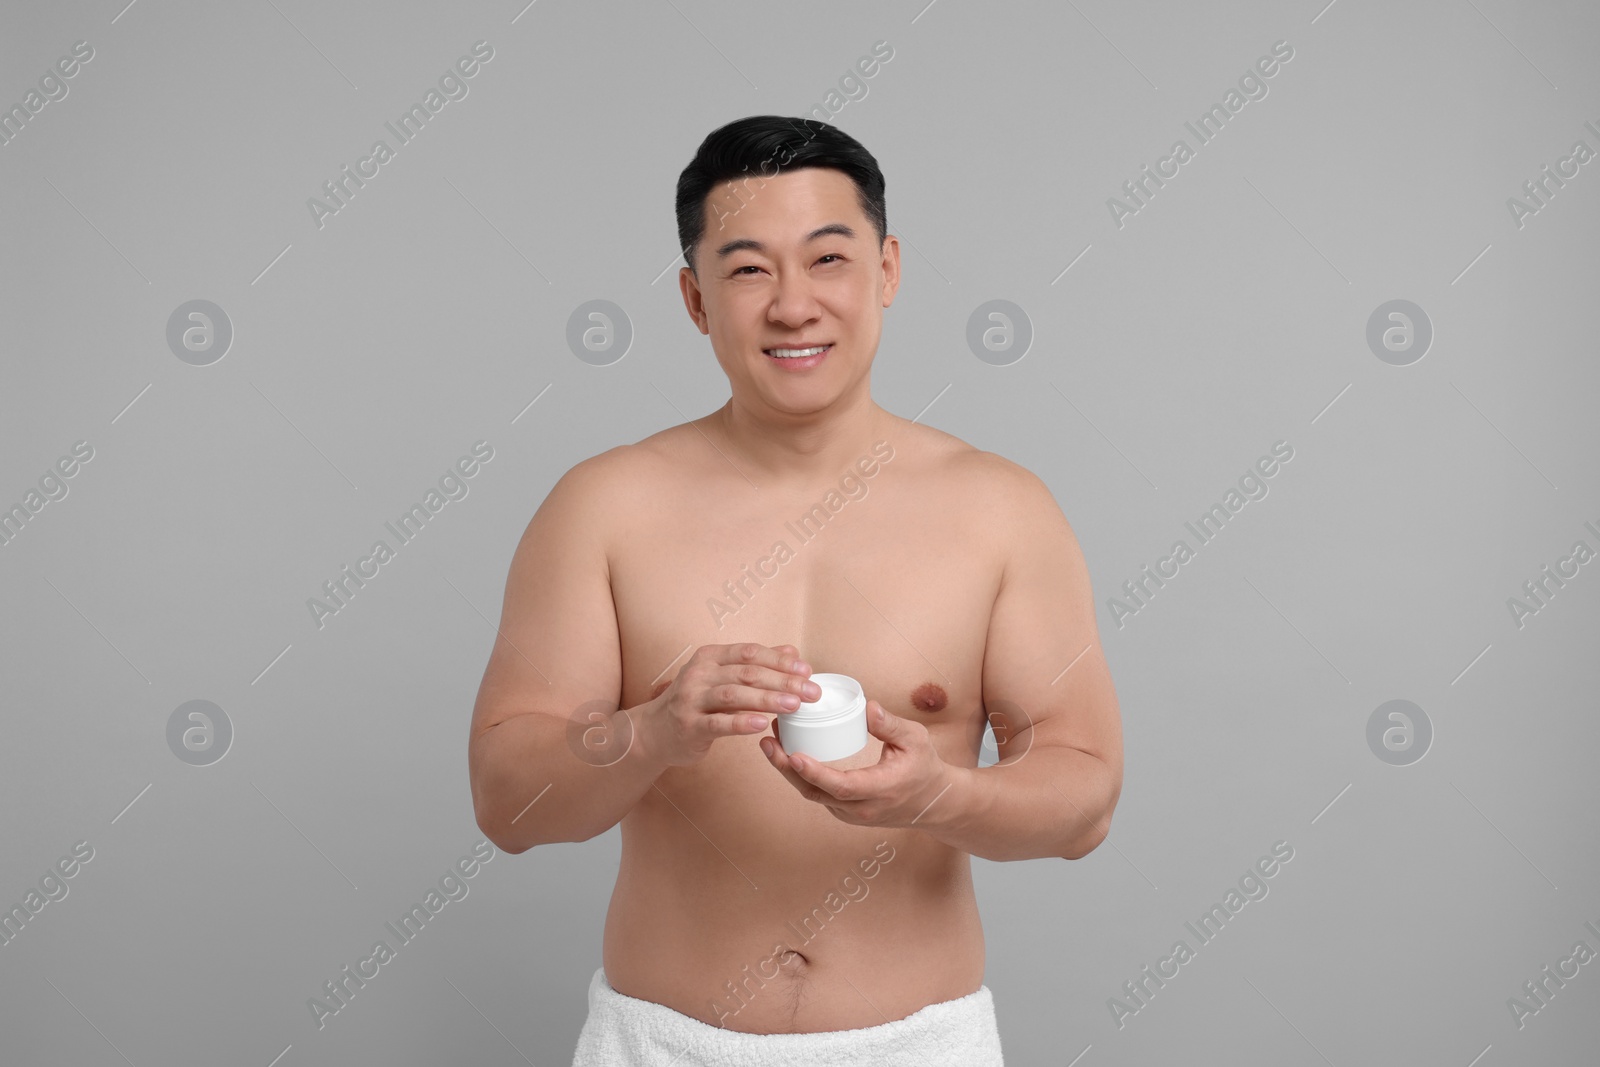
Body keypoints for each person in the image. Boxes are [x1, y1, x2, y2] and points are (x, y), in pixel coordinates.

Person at [467, 115, 1123, 1066]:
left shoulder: (1000, 511)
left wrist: (938, 792)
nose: (792, 305)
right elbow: (505, 803)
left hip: (920, 1043)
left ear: (887, 270)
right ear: (695, 299)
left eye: (827, 259)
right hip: (662, 1043)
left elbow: (1085, 804)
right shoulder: (602, 507)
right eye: (746, 270)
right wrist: (649, 732)